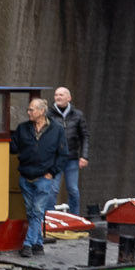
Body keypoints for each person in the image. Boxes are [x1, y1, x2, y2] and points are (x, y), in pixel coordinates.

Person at [11, 95, 63, 257]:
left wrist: (51, 173)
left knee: (37, 211)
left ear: (42, 111)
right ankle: (38, 244)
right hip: (26, 176)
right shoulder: (22, 128)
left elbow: (63, 155)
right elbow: (13, 147)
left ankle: (27, 244)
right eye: (28, 109)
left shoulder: (57, 129)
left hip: (44, 178)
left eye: (31, 110)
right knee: (32, 212)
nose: (28, 112)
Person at [50, 85, 88, 215]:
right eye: (56, 95)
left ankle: (75, 217)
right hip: (55, 159)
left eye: (61, 95)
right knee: (53, 190)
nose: (58, 97)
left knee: (73, 190)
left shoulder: (77, 115)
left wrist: (84, 156)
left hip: (72, 158)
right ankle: (50, 220)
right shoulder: (49, 115)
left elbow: (84, 136)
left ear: (69, 98)